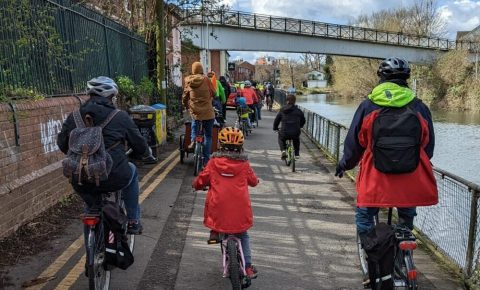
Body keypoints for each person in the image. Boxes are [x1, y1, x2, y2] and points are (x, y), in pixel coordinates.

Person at [334, 57, 438, 242]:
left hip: (376, 178)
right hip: (410, 176)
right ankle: (404, 252)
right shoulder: (419, 106)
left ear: (380, 78)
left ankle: (372, 255)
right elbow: (428, 147)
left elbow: (354, 144)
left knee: (365, 216)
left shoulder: (368, 105)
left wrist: (344, 164)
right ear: (406, 80)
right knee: (406, 217)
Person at [57, 76, 154, 235]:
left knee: (90, 198)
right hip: (113, 176)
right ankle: (133, 221)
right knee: (132, 171)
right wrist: (146, 154)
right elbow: (139, 143)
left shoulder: (73, 117)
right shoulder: (120, 117)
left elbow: (62, 144)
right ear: (111, 96)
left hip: (81, 177)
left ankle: (92, 228)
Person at [192, 127, 259, 279]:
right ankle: (248, 267)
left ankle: (215, 232)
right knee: (243, 235)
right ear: (241, 146)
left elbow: (202, 179)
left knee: (216, 212)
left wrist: (195, 185)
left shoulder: (214, 162)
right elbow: (253, 182)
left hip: (218, 210)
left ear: (220, 145)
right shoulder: (244, 164)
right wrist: (256, 181)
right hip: (240, 210)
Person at [182, 62, 216, 164]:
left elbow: (185, 96)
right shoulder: (206, 79)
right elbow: (214, 93)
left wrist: (186, 105)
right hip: (208, 112)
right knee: (208, 136)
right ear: (201, 69)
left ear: (193, 70)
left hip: (195, 111)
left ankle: (193, 141)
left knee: (194, 123)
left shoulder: (188, 80)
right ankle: (206, 160)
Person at [273, 94, 306, 159]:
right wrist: (300, 126)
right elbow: (303, 120)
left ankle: (283, 151)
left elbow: (277, 120)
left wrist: (275, 128)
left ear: (286, 101)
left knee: (281, 138)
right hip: (295, 131)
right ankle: (296, 154)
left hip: (285, 132)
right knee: (296, 139)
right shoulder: (298, 111)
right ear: (295, 101)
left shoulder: (282, 110)